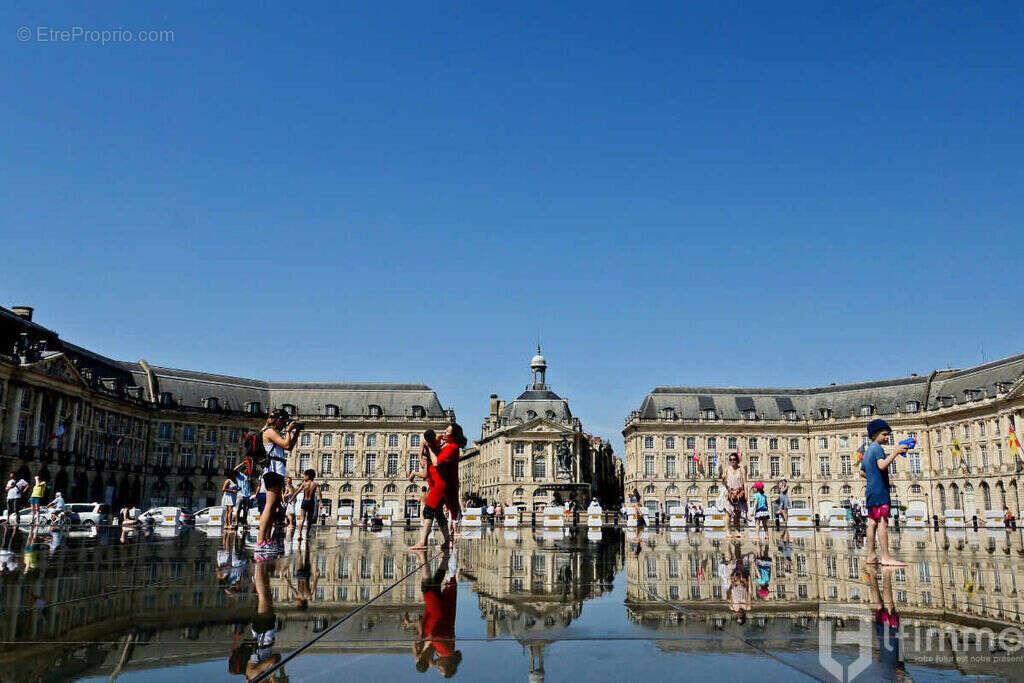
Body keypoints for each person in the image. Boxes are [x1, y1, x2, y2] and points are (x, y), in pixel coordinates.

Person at [409, 423, 467, 552]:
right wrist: (420, 455)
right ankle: (447, 541)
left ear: (454, 435)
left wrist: (430, 447)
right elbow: (425, 440)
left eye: (447, 432)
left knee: (428, 512)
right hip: (439, 483)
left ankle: (422, 542)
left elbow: (436, 462)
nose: (444, 433)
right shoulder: (445, 443)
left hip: (441, 485)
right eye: (445, 431)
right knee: (439, 513)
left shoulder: (452, 448)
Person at [861, 419, 908, 566]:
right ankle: (886, 557)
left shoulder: (868, 450)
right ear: (875, 435)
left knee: (872, 522)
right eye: (885, 434)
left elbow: (862, 472)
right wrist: (895, 453)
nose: (887, 437)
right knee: (883, 523)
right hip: (880, 490)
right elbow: (882, 465)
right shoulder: (877, 449)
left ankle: (871, 556)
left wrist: (872, 476)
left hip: (870, 491)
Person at [257, 410, 302, 552]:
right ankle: (260, 542)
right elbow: (286, 445)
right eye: (283, 421)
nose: (284, 424)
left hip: (277, 471)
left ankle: (267, 540)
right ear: (277, 419)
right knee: (269, 507)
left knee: (274, 508)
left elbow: (289, 446)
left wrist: (297, 432)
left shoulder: (273, 431)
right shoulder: (269, 431)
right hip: (272, 471)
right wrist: (289, 431)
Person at [723, 452, 747, 537]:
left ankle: (737, 531)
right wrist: (727, 486)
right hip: (729, 493)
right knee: (728, 513)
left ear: (737, 460)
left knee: (737, 513)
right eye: (730, 460)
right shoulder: (726, 469)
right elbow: (724, 481)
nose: (732, 461)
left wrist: (746, 494)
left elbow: (745, 482)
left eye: (734, 459)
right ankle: (728, 531)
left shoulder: (741, 469)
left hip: (739, 492)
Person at [295, 469, 322, 542]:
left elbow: (297, 491)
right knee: (309, 520)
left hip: (305, 502)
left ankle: (299, 534)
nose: (303, 477)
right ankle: (307, 533)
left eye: (304, 475)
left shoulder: (304, 484)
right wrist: (321, 503)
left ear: (308, 476)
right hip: (311, 502)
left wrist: (292, 498)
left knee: (302, 519)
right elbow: (319, 494)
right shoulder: (315, 484)